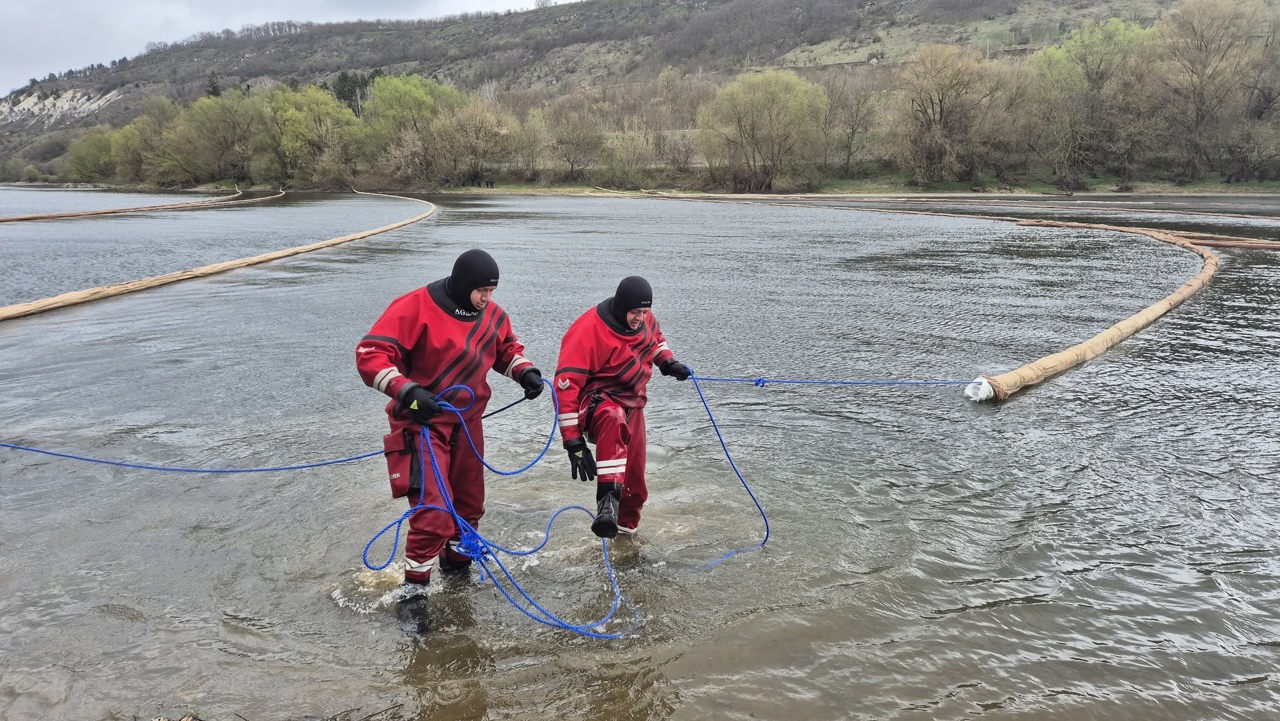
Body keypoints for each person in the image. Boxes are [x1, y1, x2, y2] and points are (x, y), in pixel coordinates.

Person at [356, 249, 543, 632]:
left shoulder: (493, 315)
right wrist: (408, 391)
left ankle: (457, 574)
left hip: (467, 423)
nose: (487, 298)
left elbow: (506, 350)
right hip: (421, 423)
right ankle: (414, 593)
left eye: (491, 291)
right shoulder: (413, 307)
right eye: (481, 291)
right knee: (434, 511)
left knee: (469, 506)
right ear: (462, 285)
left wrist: (525, 372)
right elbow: (369, 356)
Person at [553, 276, 692, 539]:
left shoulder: (645, 319)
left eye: (645, 312)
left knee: (634, 486)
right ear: (621, 307)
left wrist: (667, 362)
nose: (640, 318)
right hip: (594, 401)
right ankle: (606, 505)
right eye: (635, 312)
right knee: (613, 416)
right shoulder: (587, 329)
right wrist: (573, 443)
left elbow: (656, 340)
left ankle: (625, 536)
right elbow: (565, 387)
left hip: (633, 402)